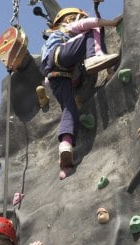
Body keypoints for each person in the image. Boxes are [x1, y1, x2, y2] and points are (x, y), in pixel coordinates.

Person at [40, 6, 123, 178]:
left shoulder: (48, 45)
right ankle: (95, 56)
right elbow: (91, 23)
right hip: (59, 58)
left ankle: (66, 145)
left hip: (56, 76)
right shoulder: (67, 28)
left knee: (69, 110)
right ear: (70, 19)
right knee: (92, 31)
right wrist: (112, 23)